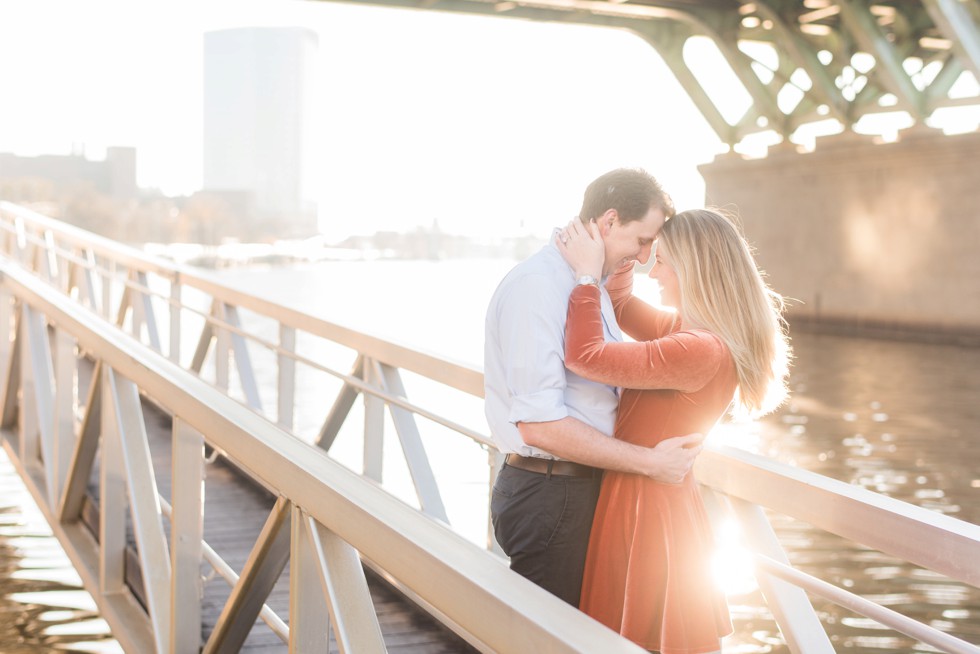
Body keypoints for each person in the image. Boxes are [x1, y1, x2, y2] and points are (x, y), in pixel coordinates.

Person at [556, 208, 791, 652]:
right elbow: (621, 304)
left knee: (637, 636)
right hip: (655, 493)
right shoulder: (691, 334)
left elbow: (585, 354)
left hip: (646, 505)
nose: (653, 273)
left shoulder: (696, 349)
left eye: (661, 261)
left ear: (694, 269)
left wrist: (587, 277)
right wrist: (633, 246)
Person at [484, 168, 704, 607]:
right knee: (549, 640)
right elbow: (539, 425)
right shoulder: (540, 288)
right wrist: (649, 464)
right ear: (608, 222)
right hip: (552, 496)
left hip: (571, 491)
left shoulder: (587, 284)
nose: (644, 259)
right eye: (642, 241)